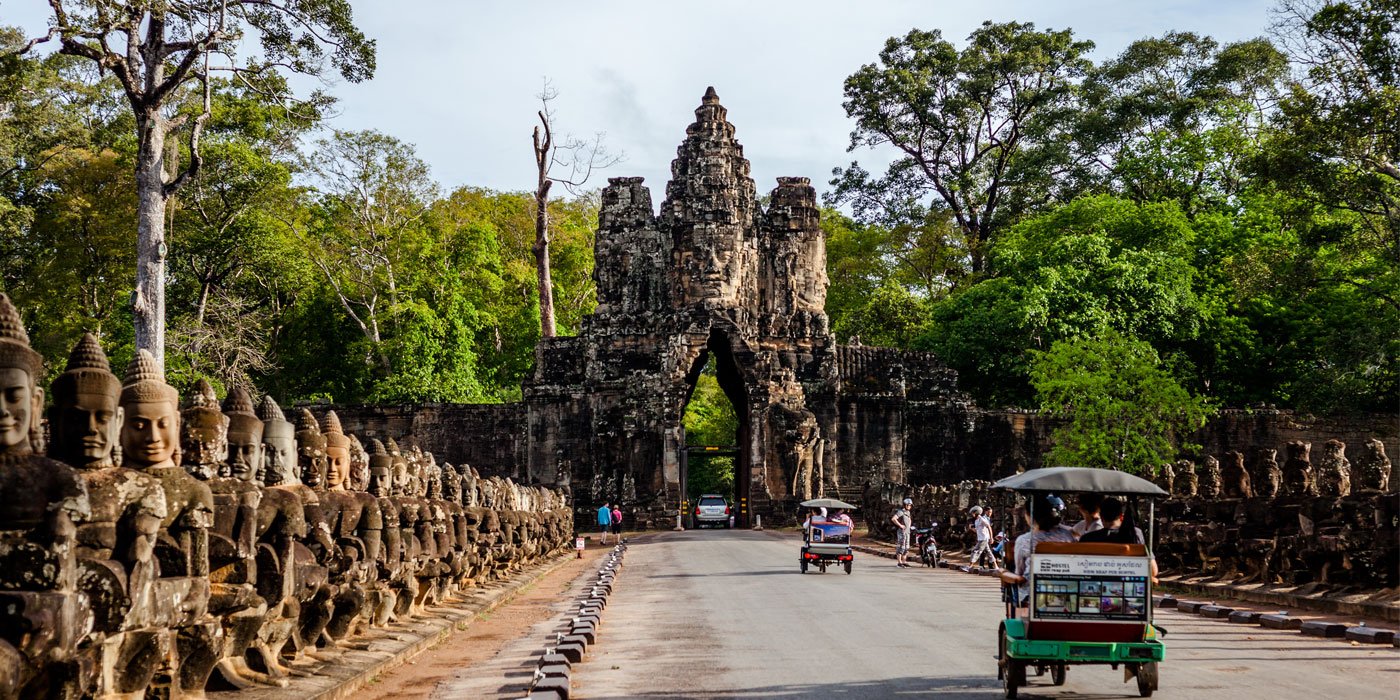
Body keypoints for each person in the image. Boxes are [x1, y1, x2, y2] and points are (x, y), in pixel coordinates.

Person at [1008, 494, 1076, 605]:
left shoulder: (1025, 540)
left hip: (1032, 596)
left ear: (1030, 515)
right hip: (1067, 591)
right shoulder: (1069, 535)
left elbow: (1019, 572)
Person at [1079, 496, 1159, 581]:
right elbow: (1153, 571)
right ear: (1121, 516)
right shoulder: (1135, 534)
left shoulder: (1087, 538)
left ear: (1101, 518)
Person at [891, 498, 913, 567]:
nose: (909, 506)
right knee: (901, 547)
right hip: (902, 532)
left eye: (910, 505)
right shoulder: (901, 512)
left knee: (907, 547)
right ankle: (899, 562)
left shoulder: (908, 512)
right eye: (908, 505)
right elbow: (893, 519)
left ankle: (904, 561)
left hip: (907, 532)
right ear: (905, 505)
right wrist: (900, 525)